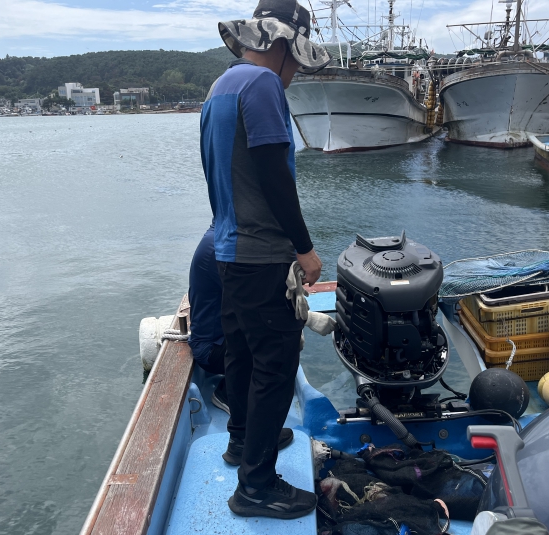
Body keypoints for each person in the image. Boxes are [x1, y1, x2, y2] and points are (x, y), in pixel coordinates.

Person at [200, 0, 330, 520]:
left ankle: (241, 440)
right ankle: (256, 487)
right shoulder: (263, 85)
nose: (294, 72)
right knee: (276, 366)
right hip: (262, 255)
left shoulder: (220, 86)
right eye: (296, 58)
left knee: (242, 352)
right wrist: (304, 248)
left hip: (227, 248)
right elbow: (274, 174)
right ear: (281, 44)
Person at [187, 222, 229, 413]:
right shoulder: (219, 248)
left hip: (223, 337)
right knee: (276, 340)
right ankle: (228, 394)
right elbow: (253, 302)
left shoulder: (222, 236)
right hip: (212, 348)